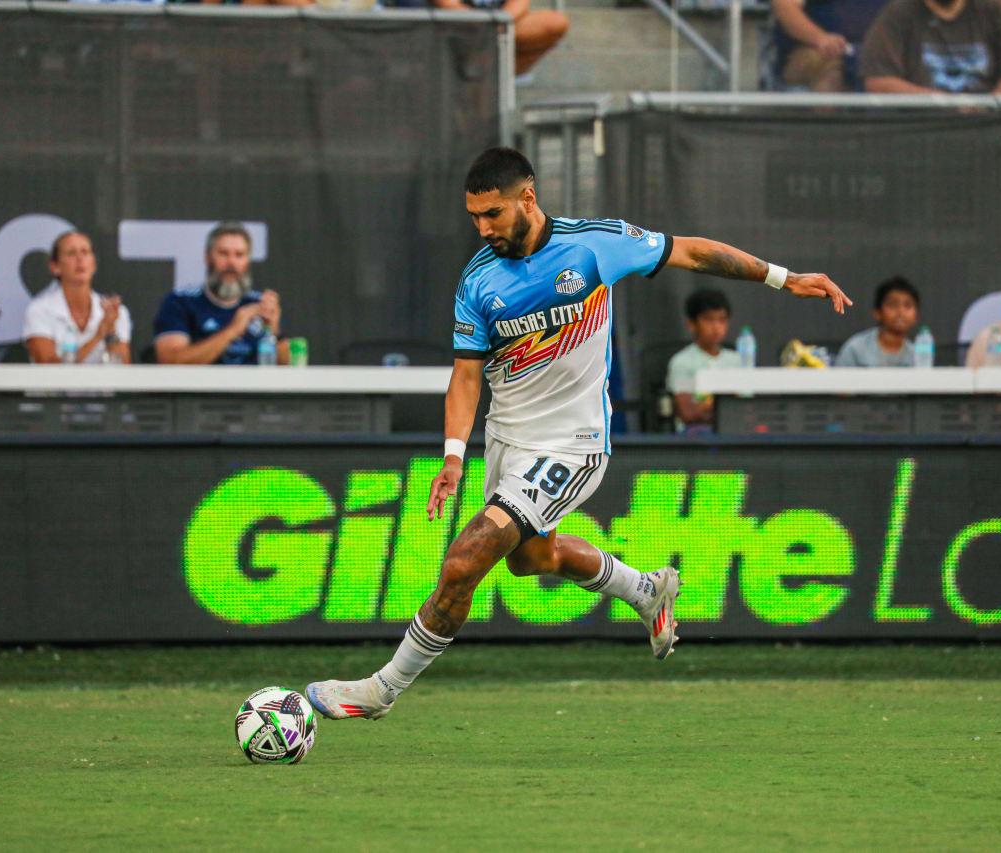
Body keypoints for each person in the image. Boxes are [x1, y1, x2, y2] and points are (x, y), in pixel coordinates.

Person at [305, 147, 852, 722]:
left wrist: (784, 278)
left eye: (492, 214)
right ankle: (647, 590)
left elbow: (691, 251)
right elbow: (466, 374)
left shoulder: (594, 244)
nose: (483, 228)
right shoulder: (478, 279)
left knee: (466, 559)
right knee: (531, 560)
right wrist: (452, 456)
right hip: (507, 442)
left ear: (528, 198)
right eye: (474, 217)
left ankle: (379, 690)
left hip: (573, 443)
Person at [152, 221, 288, 365]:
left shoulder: (260, 304)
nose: (231, 262)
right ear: (208, 258)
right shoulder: (181, 301)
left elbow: (288, 372)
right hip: (200, 387)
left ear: (247, 261)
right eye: (223, 253)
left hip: (251, 388)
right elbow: (170, 361)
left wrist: (275, 332)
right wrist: (233, 330)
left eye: (239, 255)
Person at [859, 0, 1001, 92]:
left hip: (988, 126)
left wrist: (991, 106)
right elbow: (878, 80)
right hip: (924, 128)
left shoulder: (993, 11)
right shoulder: (898, 14)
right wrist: (938, 101)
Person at [24, 230, 132, 364]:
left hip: (101, 385)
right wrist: (97, 336)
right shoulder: (40, 310)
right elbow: (48, 368)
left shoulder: (116, 312)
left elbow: (123, 370)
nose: (80, 259)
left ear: (94, 264)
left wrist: (110, 332)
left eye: (85, 252)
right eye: (71, 253)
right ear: (55, 267)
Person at [771, 0, 894, 91]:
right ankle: (828, 123)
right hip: (817, 50)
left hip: (881, 53)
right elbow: (784, 6)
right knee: (833, 71)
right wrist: (820, 38)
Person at [666, 289, 739, 433]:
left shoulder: (737, 360)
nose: (716, 327)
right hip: (697, 435)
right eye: (709, 319)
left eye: (722, 320)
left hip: (735, 429)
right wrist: (730, 404)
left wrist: (707, 405)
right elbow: (689, 414)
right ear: (692, 324)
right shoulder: (681, 362)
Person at [432, 0, 568, 77]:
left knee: (556, 22)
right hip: (456, 28)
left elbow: (518, 5)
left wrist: (496, 24)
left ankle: (491, 73)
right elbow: (449, 6)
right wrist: (482, 26)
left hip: (499, 28)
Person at [835, 276, 920, 367]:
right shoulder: (855, 349)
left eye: (908, 305)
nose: (900, 312)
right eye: (892, 305)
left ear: (916, 314)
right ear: (877, 312)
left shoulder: (917, 356)